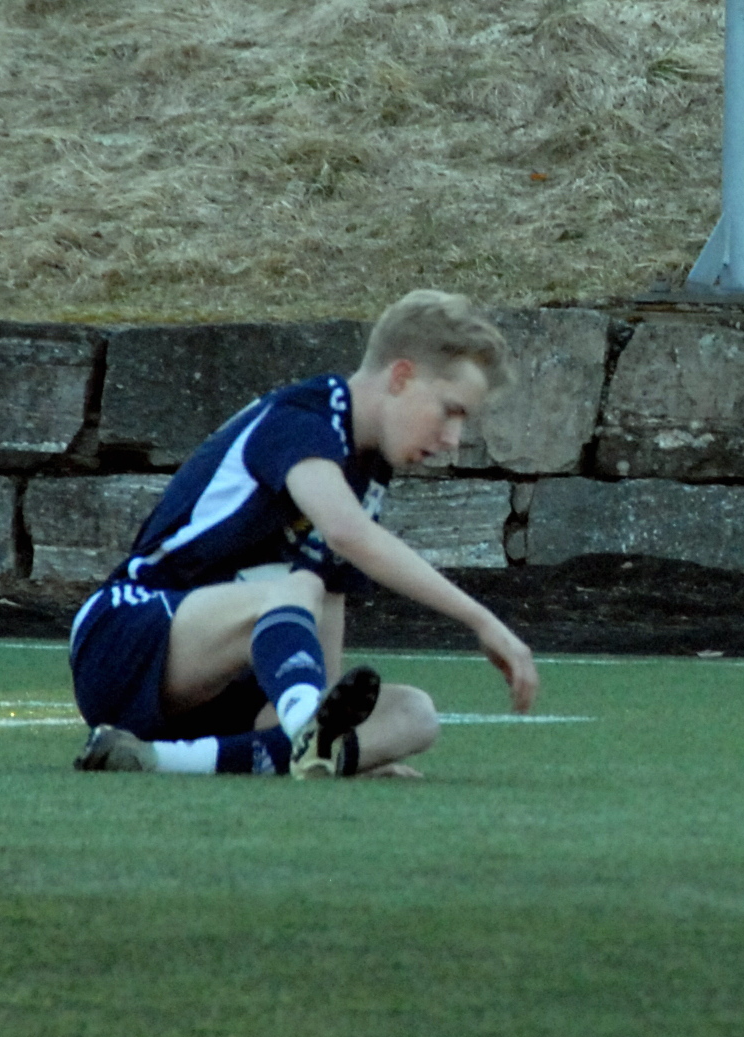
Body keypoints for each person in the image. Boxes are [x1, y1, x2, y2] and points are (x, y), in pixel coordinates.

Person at [70, 290, 542, 779]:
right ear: (401, 376)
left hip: (219, 688)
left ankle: (164, 759)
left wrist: (345, 742)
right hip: (124, 639)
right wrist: (482, 620)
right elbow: (345, 533)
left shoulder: (366, 469)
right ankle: (308, 733)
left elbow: (328, 607)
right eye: (450, 410)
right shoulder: (303, 416)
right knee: (296, 588)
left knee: (414, 715)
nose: (453, 439)